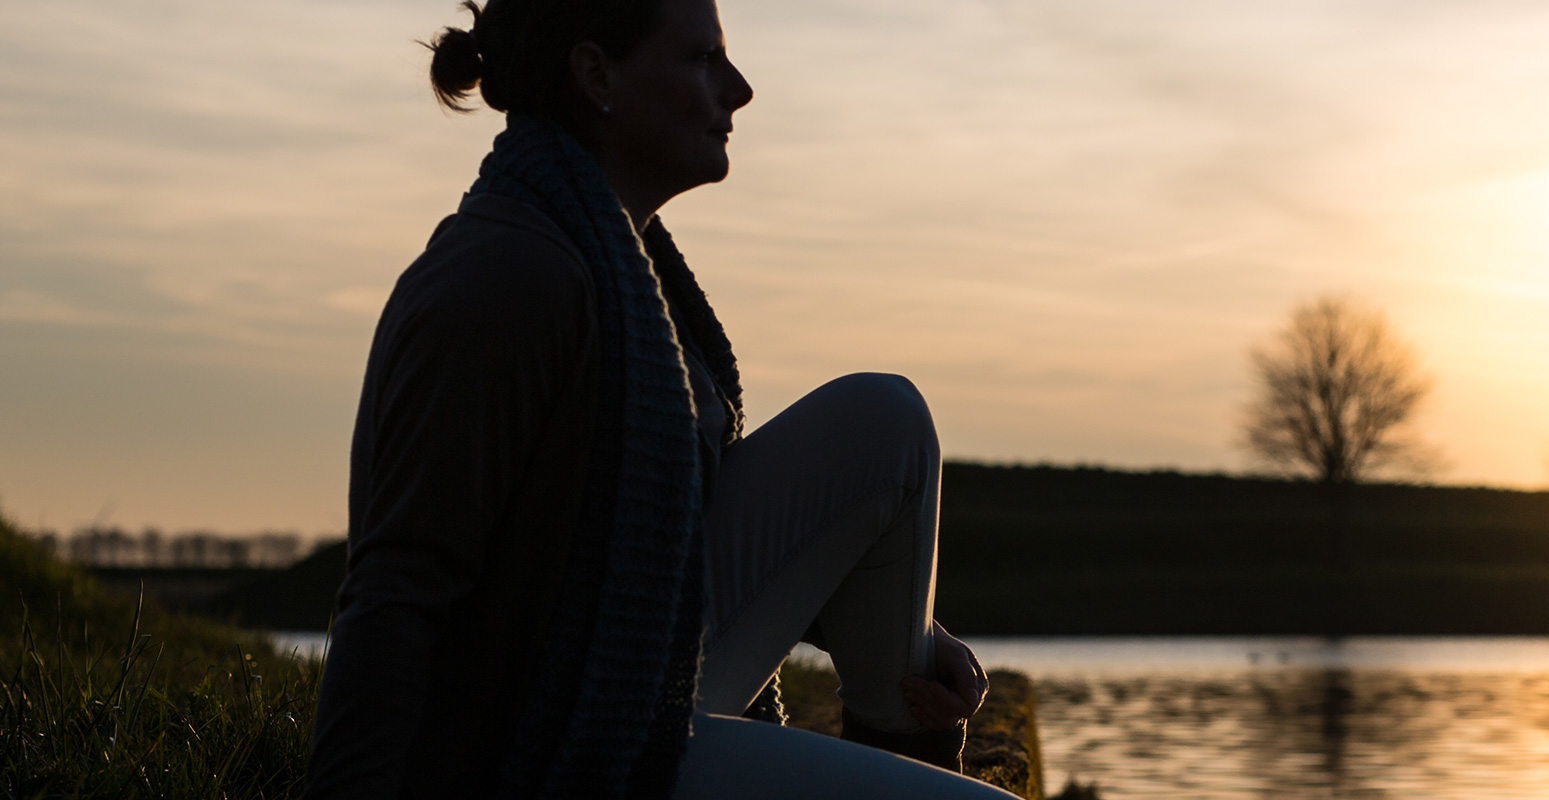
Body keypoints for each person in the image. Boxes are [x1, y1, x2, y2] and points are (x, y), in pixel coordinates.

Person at [303, 0, 1018, 797]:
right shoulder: (505, 280)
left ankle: (905, 717)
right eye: (702, 58)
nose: (739, 88)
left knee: (886, 421)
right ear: (596, 74)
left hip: (630, 680)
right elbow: (395, 593)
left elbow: (635, 549)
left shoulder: (623, 270)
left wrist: (907, 636)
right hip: (563, 752)